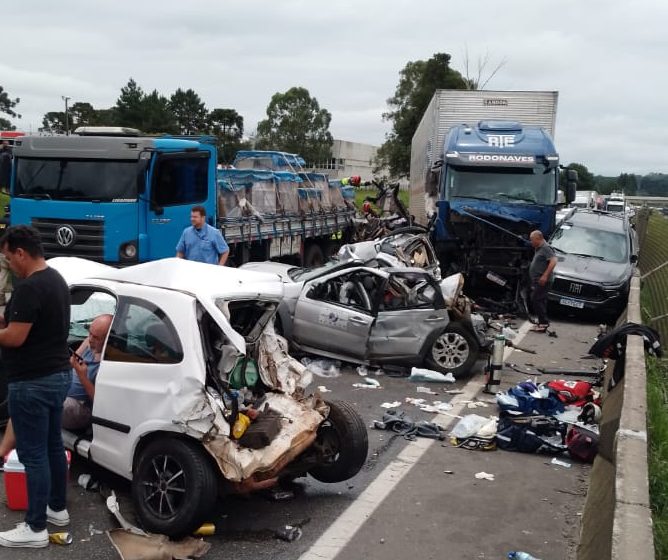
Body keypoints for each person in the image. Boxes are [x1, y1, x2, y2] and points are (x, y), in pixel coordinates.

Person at [0, 225, 71, 548]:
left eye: (8, 258)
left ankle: (35, 527)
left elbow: (15, 337)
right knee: (53, 446)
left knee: (33, 454)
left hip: (32, 381)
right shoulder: (56, 279)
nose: (9, 265)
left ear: (20, 252)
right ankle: (57, 509)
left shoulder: (29, 288)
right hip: (57, 375)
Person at [0, 314, 114, 458]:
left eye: (96, 337)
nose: (91, 339)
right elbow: (70, 361)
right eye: (89, 333)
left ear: (108, 339)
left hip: (80, 405)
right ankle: (13, 452)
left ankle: (9, 453)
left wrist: (82, 376)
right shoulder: (89, 343)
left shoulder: (107, 363)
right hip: (62, 388)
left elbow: (99, 402)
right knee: (26, 393)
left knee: (31, 404)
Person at [529, 230, 558, 333]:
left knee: (536, 299)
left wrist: (545, 276)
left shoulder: (546, 248)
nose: (531, 242)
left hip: (543, 280)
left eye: (532, 240)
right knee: (540, 300)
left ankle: (543, 323)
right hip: (538, 280)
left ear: (538, 238)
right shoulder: (539, 248)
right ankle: (542, 322)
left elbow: (553, 261)